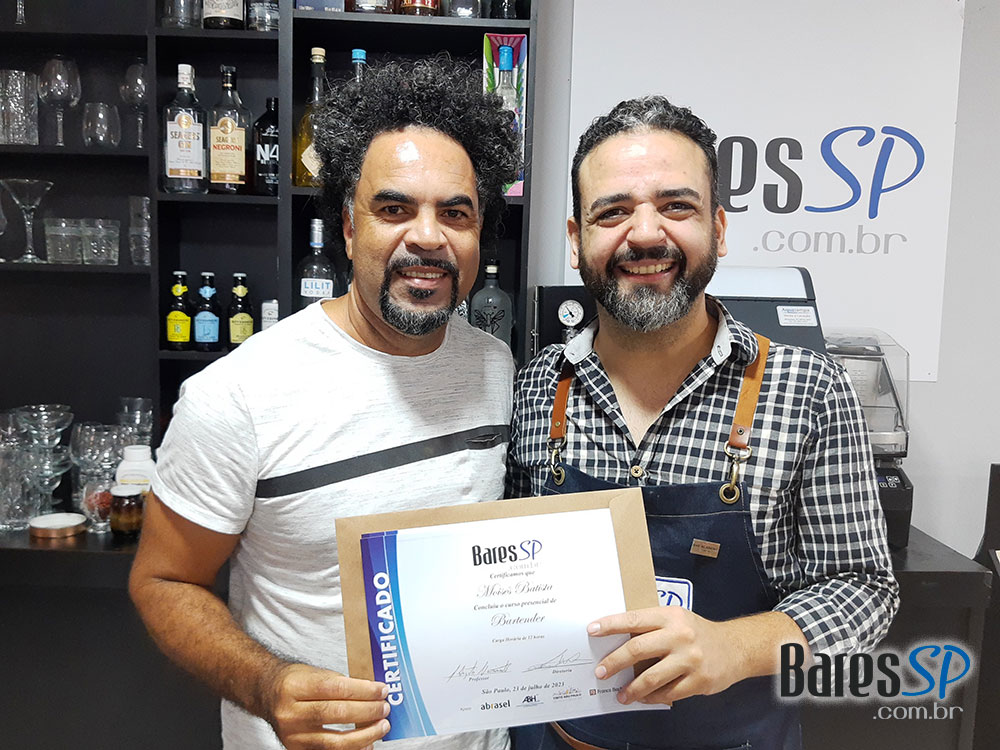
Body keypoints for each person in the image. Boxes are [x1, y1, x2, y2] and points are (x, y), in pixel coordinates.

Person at [129, 57, 519, 750]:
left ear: (478, 232)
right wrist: (268, 684)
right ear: (347, 227)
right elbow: (162, 581)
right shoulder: (238, 395)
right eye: (394, 209)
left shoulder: (494, 366)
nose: (428, 237)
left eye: (454, 213)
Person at [506, 96, 899, 750]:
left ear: (718, 228)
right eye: (613, 211)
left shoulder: (808, 389)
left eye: (676, 206)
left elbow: (863, 590)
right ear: (576, 241)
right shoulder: (539, 386)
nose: (645, 234)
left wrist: (736, 647)